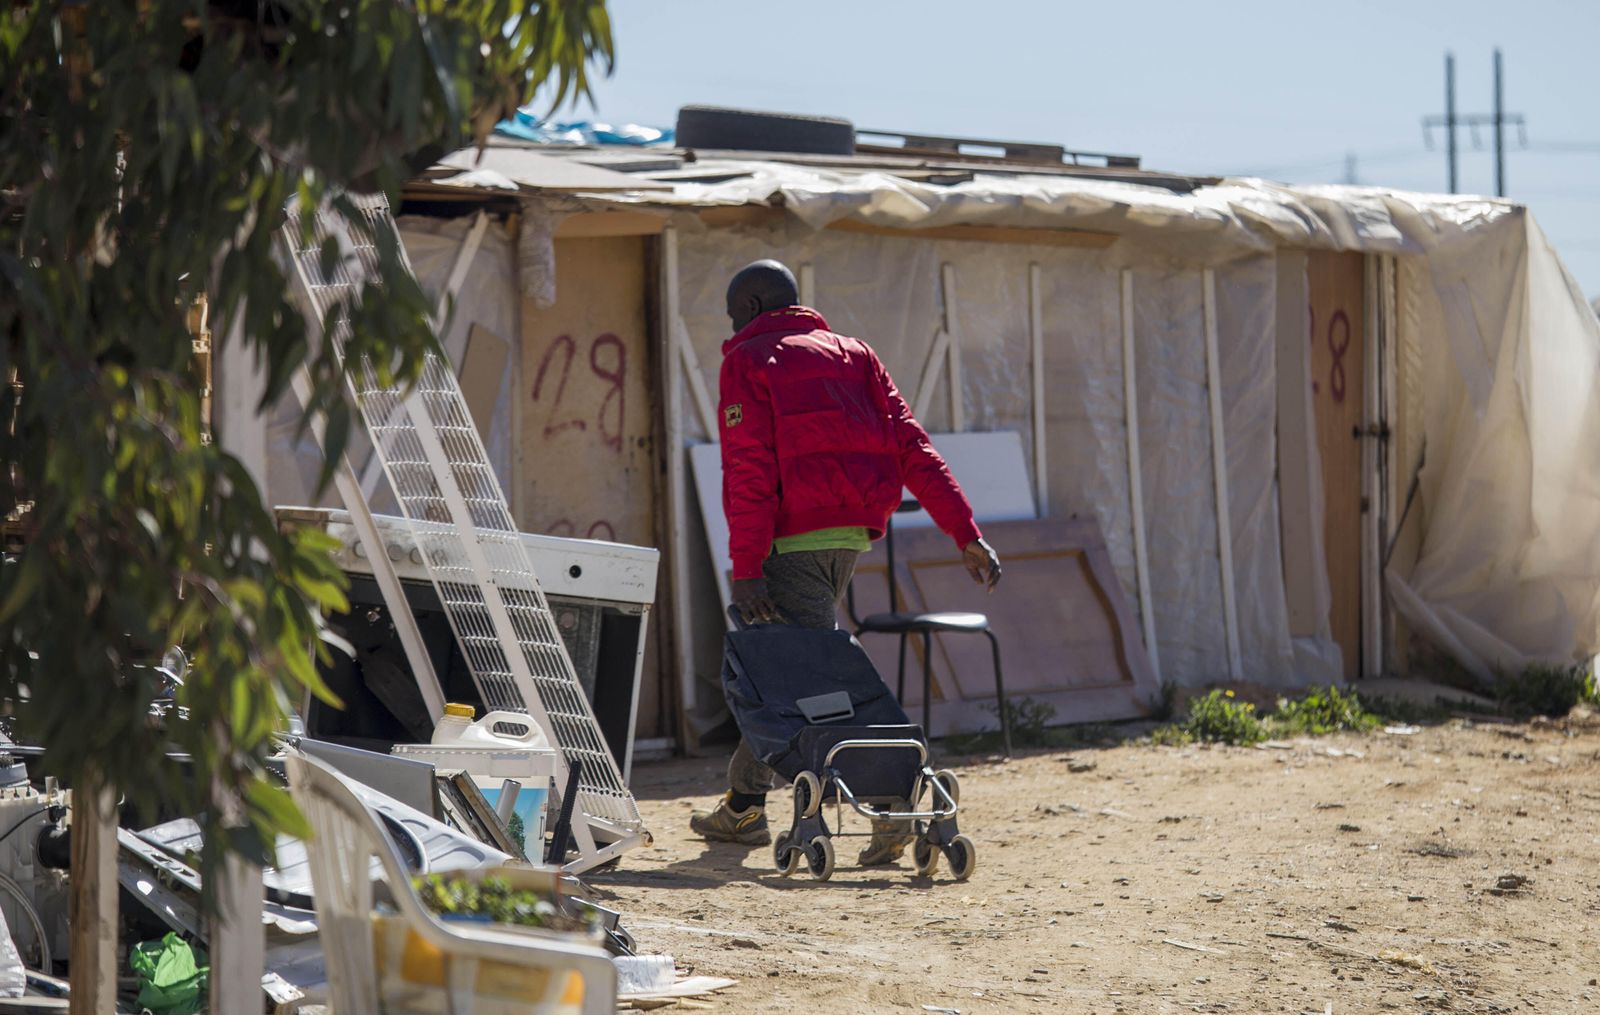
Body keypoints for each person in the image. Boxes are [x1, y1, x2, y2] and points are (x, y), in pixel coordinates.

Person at [690, 259, 1001, 866]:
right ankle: (743, 806)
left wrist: (747, 566)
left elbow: (750, 472)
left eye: (733, 316)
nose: (731, 329)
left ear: (751, 308)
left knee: (806, 684)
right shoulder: (855, 354)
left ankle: (891, 800)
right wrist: (964, 531)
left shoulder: (748, 361)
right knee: (786, 672)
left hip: (790, 544)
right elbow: (913, 445)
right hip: (849, 537)